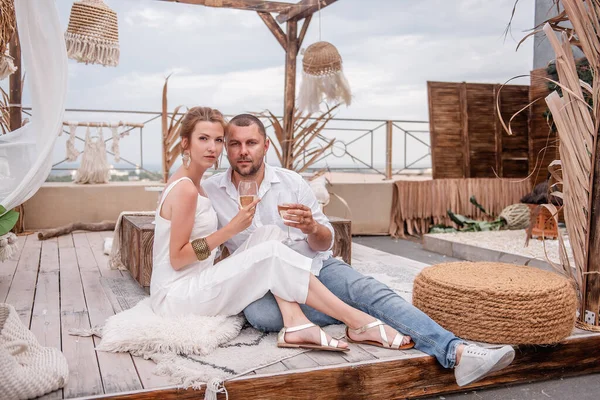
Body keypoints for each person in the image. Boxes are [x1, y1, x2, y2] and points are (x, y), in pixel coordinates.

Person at [202, 113, 516, 387]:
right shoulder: (212, 191)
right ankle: (359, 317)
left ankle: (458, 352)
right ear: (225, 147)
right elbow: (203, 245)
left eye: (251, 143)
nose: (244, 152)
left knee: (368, 290)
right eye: (235, 144)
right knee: (261, 316)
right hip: (266, 287)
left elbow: (326, 243)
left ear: (266, 146)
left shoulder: (292, 183)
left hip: (314, 267)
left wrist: (312, 228)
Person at [150, 106, 416, 353]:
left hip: (197, 281)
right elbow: (178, 257)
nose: (212, 148)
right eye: (203, 139)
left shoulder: (197, 184)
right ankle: (358, 320)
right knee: (269, 256)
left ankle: (296, 323)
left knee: (270, 235)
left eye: (218, 140)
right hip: (179, 295)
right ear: (185, 142)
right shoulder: (186, 188)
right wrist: (229, 230)